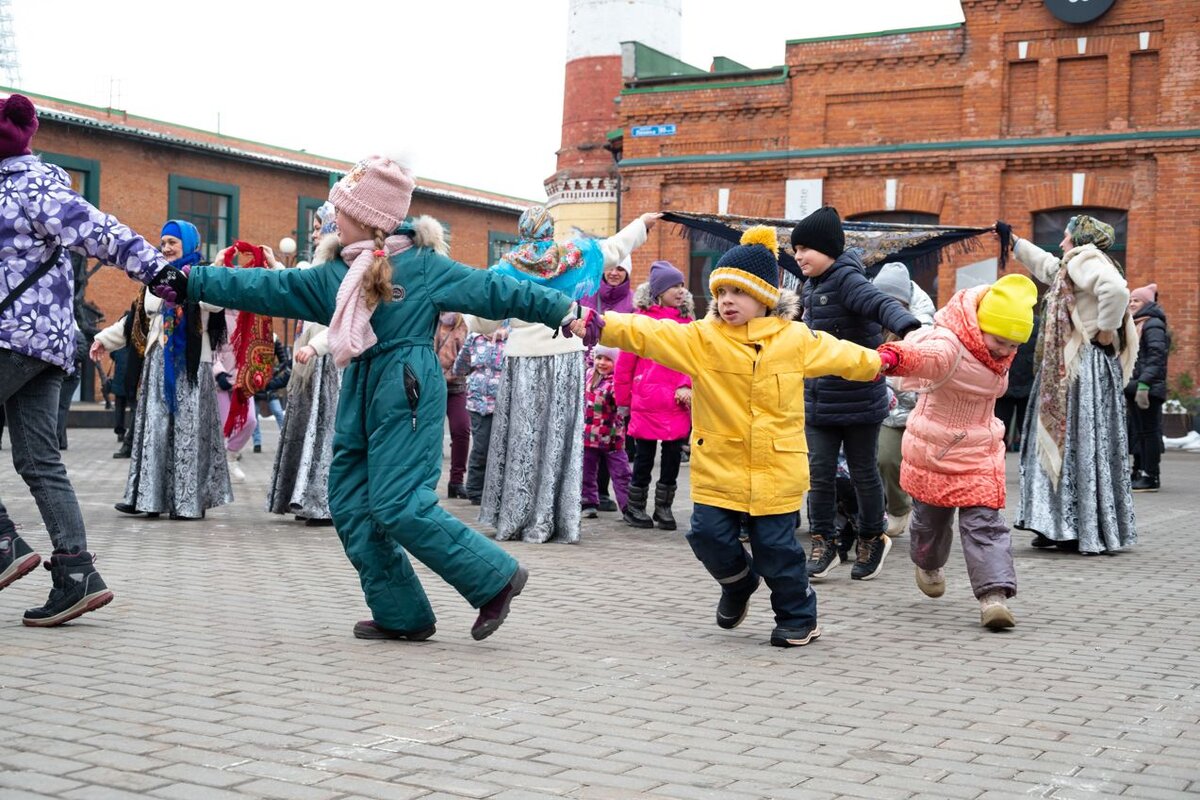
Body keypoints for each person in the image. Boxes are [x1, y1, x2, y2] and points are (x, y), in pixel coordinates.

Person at [174, 155, 591, 642]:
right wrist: (192, 281)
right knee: (350, 502)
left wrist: (562, 309)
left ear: (368, 217)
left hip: (407, 387)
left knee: (400, 504)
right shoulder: (335, 273)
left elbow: (496, 289)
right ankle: (401, 613)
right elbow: (269, 286)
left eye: (342, 209)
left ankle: (495, 578)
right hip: (361, 386)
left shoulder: (423, 266)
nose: (334, 216)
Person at [586, 225, 884, 646]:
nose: (727, 301)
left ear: (764, 297)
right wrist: (596, 323)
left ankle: (798, 617)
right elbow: (646, 332)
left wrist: (887, 360)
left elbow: (844, 354)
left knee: (776, 549)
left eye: (739, 292)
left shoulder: (795, 338)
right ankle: (738, 582)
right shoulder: (702, 339)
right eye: (721, 292)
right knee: (708, 535)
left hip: (776, 467)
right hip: (719, 464)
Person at [0, 93, 181, 626]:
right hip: (45, 345)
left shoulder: (27, 186)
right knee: (39, 460)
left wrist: (158, 270)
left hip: (12, 339)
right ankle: (76, 574)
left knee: (39, 460)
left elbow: (100, 230)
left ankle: (3, 545)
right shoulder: (32, 186)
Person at [468, 206, 655, 545]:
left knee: (523, 438)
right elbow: (613, 248)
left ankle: (515, 516)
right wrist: (641, 223)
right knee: (558, 437)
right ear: (550, 230)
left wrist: (473, 315)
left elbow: (484, 321)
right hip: (565, 356)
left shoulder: (506, 268)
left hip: (522, 359)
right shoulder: (571, 256)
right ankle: (554, 518)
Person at [877, 273, 1039, 630]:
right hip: (936, 448)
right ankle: (928, 563)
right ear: (981, 326)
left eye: (1013, 345)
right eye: (999, 341)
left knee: (985, 525)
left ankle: (993, 597)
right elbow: (922, 356)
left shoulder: (999, 350)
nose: (1005, 351)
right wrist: (891, 357)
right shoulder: (950, 344)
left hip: (980, 450)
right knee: (930, 523)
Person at [792, 207, 922, 582]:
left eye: (805, 248)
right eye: (796, 249)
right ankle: (824, 542)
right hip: (819, 400)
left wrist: (908, 328)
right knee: (819, 474)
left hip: (860, 399)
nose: (798, 256)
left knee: (864, 473)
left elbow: (879, 303)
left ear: (828, 249)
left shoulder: (848, 279)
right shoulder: (810, 286)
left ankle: (871, 537)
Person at [1009, 215, 1138, 554]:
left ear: (1079, 239)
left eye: (1066, 236)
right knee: (1080, 444)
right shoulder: (1074, 264)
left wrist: (1106, 329)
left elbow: (1116, 290)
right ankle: (1062, 524)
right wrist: (1015, 243)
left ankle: (1066, 526)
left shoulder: (1086, 259)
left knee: (1071, 441)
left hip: (1080, 367)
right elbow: (1048, 266)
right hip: (1077, 368)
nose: (1062, 242)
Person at [92, 220, 232, 520]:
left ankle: (187, 502)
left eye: (173, 242)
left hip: (191, 366)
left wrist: (211, 275)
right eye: (163, 242)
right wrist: (103, 339)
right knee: (154, 430)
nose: (166, 247)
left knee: (187, 432)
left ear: (189, 244)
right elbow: (135, 319)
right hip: (157, 365)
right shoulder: (154, 277)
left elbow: (215, 304)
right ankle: (148, 498)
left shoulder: (201, 274)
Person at [267, 205, 341, 525]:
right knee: (305, 428)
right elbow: (295, 287)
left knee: (323, 429)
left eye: (318, 227)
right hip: (308, 362)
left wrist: (315, 346)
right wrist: (274, 268)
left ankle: (321, 501)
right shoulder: (318, 266)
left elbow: (339, 322)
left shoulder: (339, 269)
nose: (312, 234)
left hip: (329, 361)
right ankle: (302, 496)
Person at [615, 260, 695, 530]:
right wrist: (623, 401)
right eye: (674, 286)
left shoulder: (687, 323)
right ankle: (635, 506)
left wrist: (686, 384)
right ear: (659, 291)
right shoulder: (641, 321)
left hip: (676, 401)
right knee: (644, 457)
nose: (681, 290)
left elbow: (694, 359)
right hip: (646, 400)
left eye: (682, 285)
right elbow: (625, 363)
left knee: (672, 458)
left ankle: (664, 507)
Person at [871, 262, 935, 538]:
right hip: (878, 407)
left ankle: (905, 510)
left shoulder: (922, 329)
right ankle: (887, 510)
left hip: (913, 411)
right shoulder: (868, 321)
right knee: (877, 461)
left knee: (898, 463)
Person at [581, 256, 635, 512]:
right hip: (587, 362)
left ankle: (622, 501)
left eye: (621, 269)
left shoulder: (632, 302)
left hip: (620, 367)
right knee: (589, 459)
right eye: (611, 268)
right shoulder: (588, 295)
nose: (614, 273)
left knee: (616, 456)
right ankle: (593, 497)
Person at [451, 323, 509, 505]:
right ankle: (475, 491)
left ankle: (498, 491)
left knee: (502, 449)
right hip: (479, 403)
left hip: (506, 403)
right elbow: (459, 367)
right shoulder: (474, 338)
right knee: (482, 446)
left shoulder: (512, 337)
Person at [1126, 283, 1169, 493]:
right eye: (1131, 300)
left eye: (1137, 300)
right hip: (1135, 386)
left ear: (1147, 303)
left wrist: (1144, 383)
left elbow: (1156, 356)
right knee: (1138, 432)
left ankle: (1151, 475)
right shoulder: (1136, 323)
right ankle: (1138, 470)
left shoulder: (1153, 325)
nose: (1132, 303)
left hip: (1148, 388)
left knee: (1149, 432)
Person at [581, 345, 631, 517]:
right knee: (586, 472)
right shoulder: (588, 375)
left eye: (608, 359)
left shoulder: (617, 382)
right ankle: (587, 502)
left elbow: (623, 405)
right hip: (588, 436)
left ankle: (628, 506)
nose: (602, 363)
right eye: (599, 358)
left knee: (622, 473)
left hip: (612, 439)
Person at [436, 311, 470, 498]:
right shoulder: (433, 321)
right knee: (430, 433)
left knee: (461, 429)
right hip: (432, 386)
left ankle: (456, 481)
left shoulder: (462, 325)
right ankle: (426, 481)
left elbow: (468, 357)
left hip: (456, 386)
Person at [994, 314, 1040, 452]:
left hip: (1005, 384)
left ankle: (996, 460)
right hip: (1028, 386)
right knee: (1028, 433)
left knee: (998, 431)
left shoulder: (1004, 319)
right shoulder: (1037, 323)